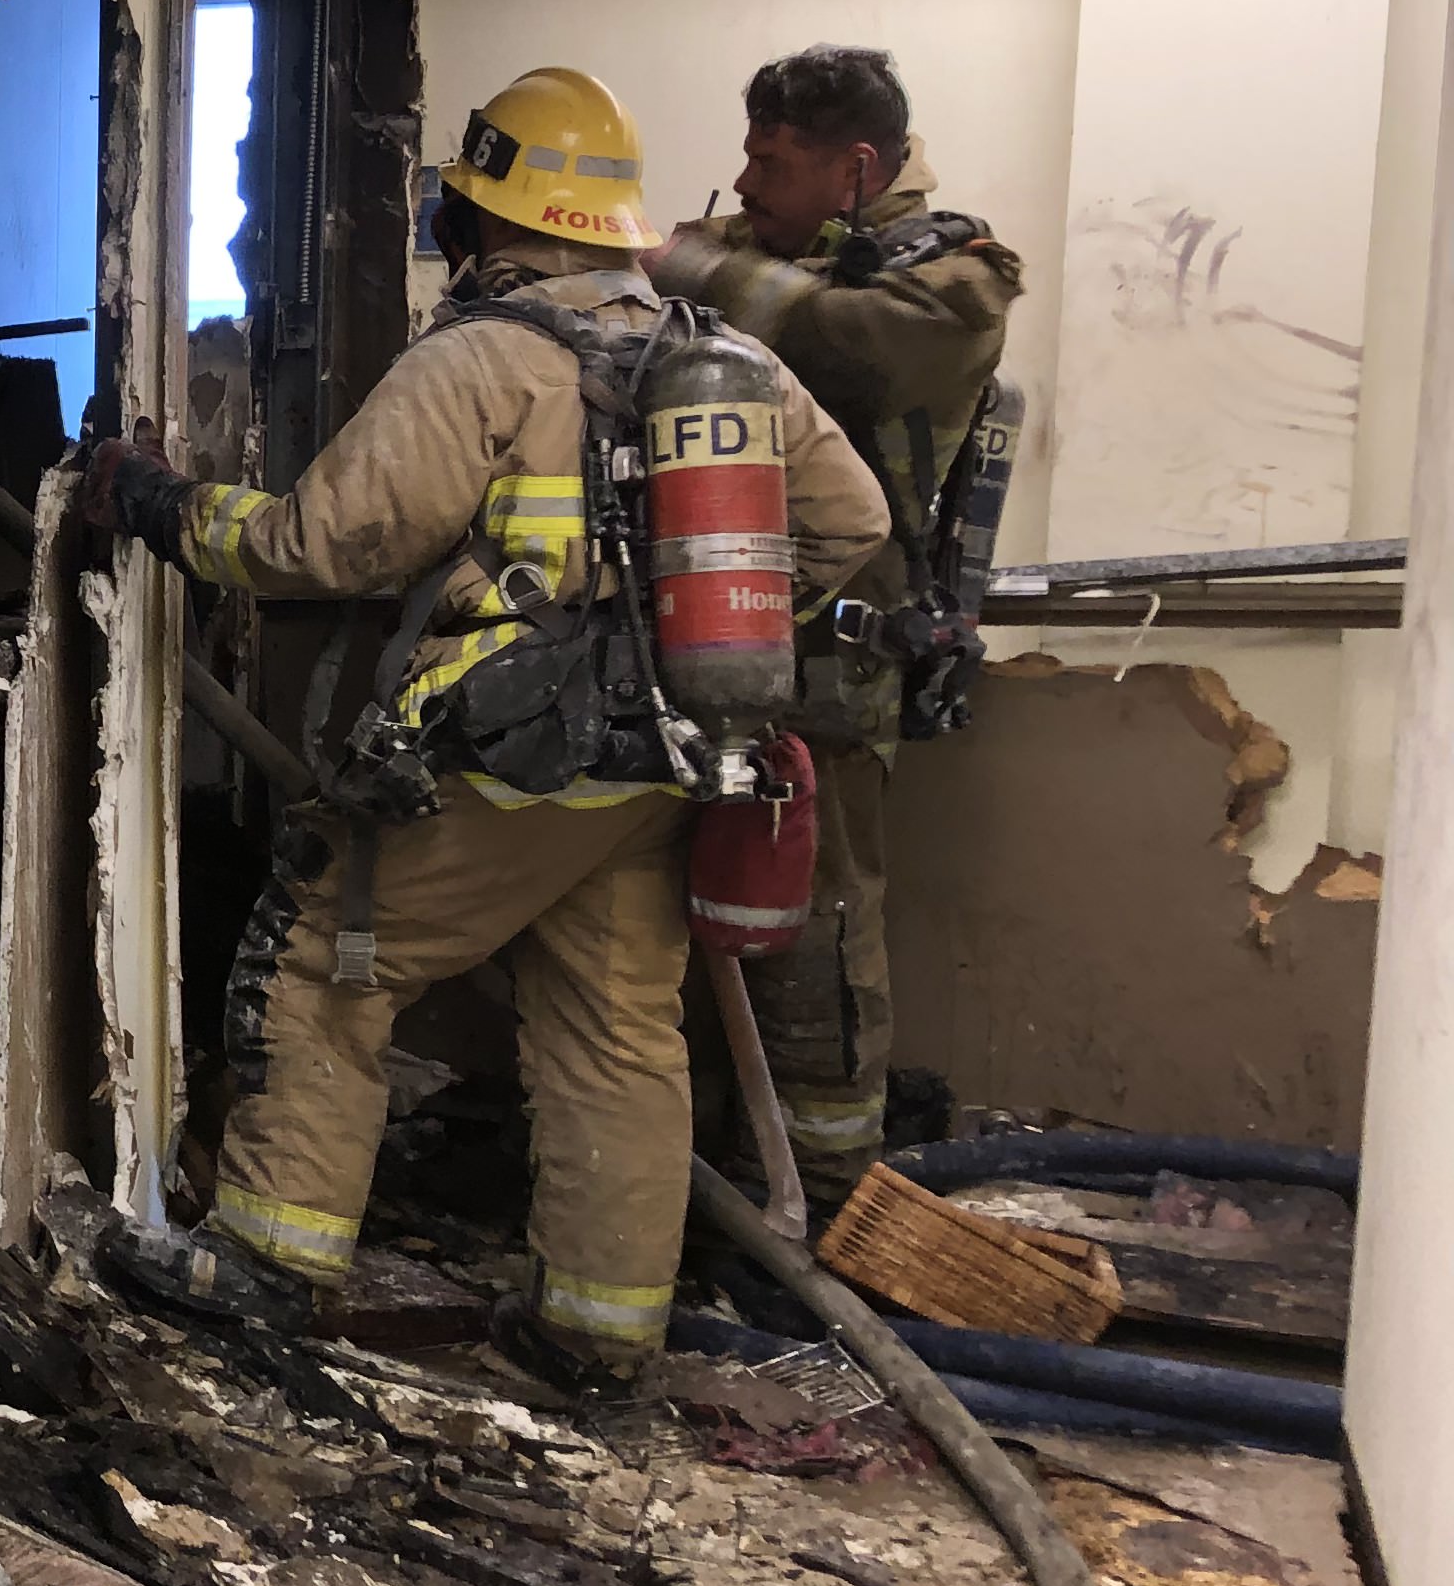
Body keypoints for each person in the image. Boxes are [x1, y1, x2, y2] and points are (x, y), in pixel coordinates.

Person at [89, 67, 887, 1390]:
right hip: (662, 760)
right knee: (617, 1024)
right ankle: (598, 1333)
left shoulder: (484, 360)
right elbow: (852, 526)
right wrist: (672, 634)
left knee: (321, 959)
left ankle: (272, 1264)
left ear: (482, 218)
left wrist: (164, 506)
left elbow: (324, 541)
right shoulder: (719, 358)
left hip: (507, 757)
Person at [650, 47, 1022, 1211]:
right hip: (693, 647)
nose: (747, 181)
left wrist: (689, 267)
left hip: (837, 669)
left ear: (856, 169)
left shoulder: (957, 283)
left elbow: (848, 346)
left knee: (818, 932)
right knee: (686, 916)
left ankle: (824, 1193)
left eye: (774, 159)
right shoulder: (753, 259)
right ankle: (708, 1183)